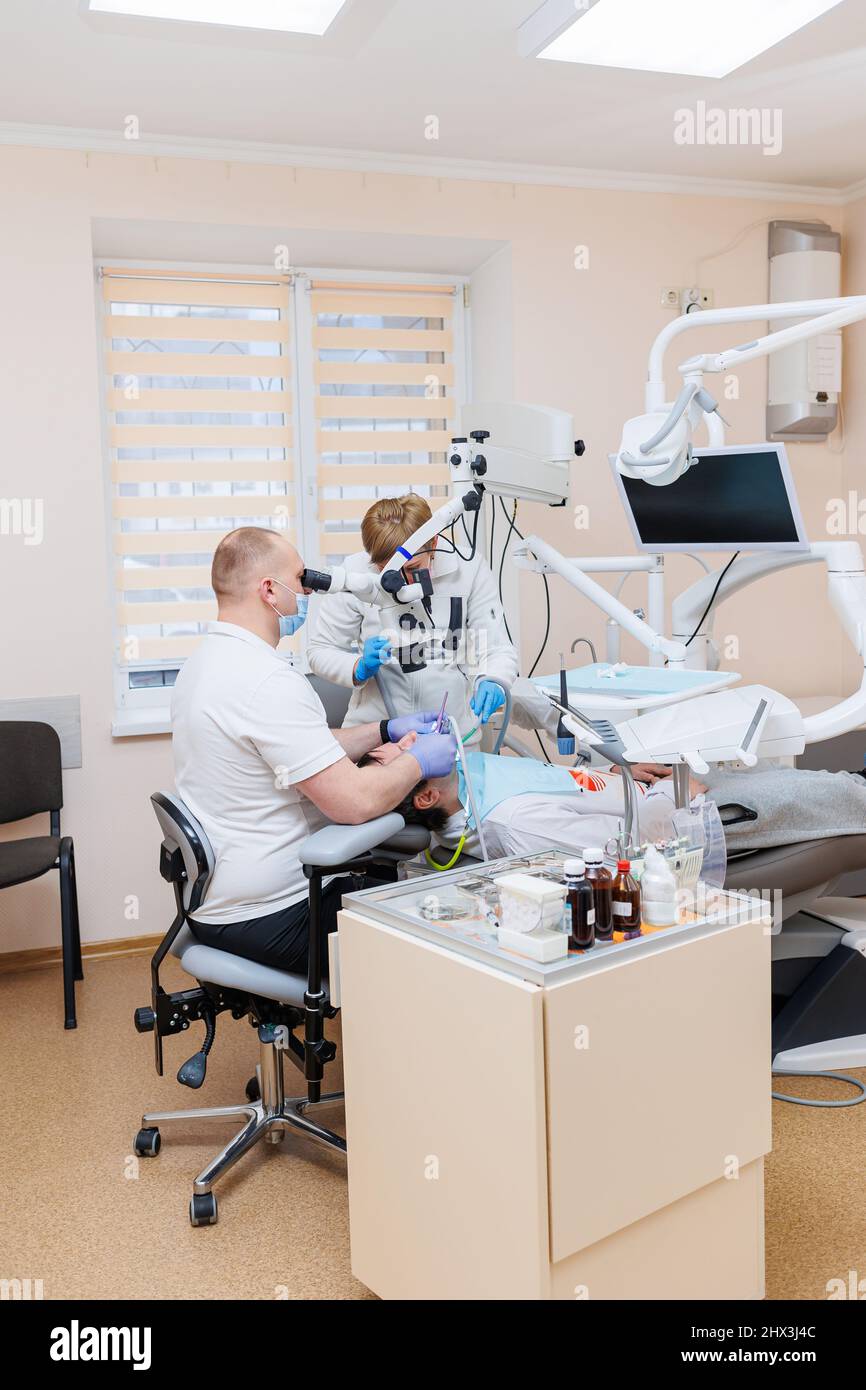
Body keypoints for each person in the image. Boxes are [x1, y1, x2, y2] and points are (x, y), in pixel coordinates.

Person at [170, 526, 456, 972]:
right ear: (269, 590)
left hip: (218, 905)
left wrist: (382, 730)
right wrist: (420, 759)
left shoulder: (205, 664)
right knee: (436, 926)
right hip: (277, 914)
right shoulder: (266, 680)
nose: (307, 592)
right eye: (301, 581)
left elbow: (299, 747)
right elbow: (354, 802)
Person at [377, 739, 866, 861]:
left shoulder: (477, 776)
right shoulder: (515, 823)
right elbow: (625, 853)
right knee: (830, 795)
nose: (408, 743)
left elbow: (564, 784)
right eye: (401, 754)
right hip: (693, 823)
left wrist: (615, 775)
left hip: (654, 790)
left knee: (819, 779)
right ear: (426, 796)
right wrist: (681, 803)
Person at [306, 494, 518, 743]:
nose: (401, 583)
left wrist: (493, 679)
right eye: (387, 571)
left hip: (452, 734)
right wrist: (358, 667)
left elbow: (497, 648)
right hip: (377, 737)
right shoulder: (356, 574)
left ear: (434, 542)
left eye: (413, 568)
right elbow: (320, 650)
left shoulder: (468, 570)